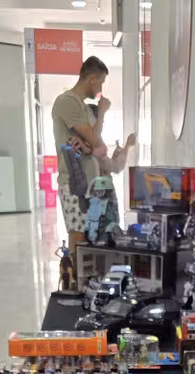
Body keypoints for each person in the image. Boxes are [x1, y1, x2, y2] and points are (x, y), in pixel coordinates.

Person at [52, 56, 111, 287]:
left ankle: (84, 284)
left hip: (89, 181)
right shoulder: (67, 102)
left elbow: (97, 145)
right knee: (78, 233)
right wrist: (102, 111)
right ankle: (75, 286)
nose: (100, 88)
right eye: (100, 82)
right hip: (74, 181)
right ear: (91, 77)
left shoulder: (82, 107)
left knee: (88, 233)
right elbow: (95, 139)